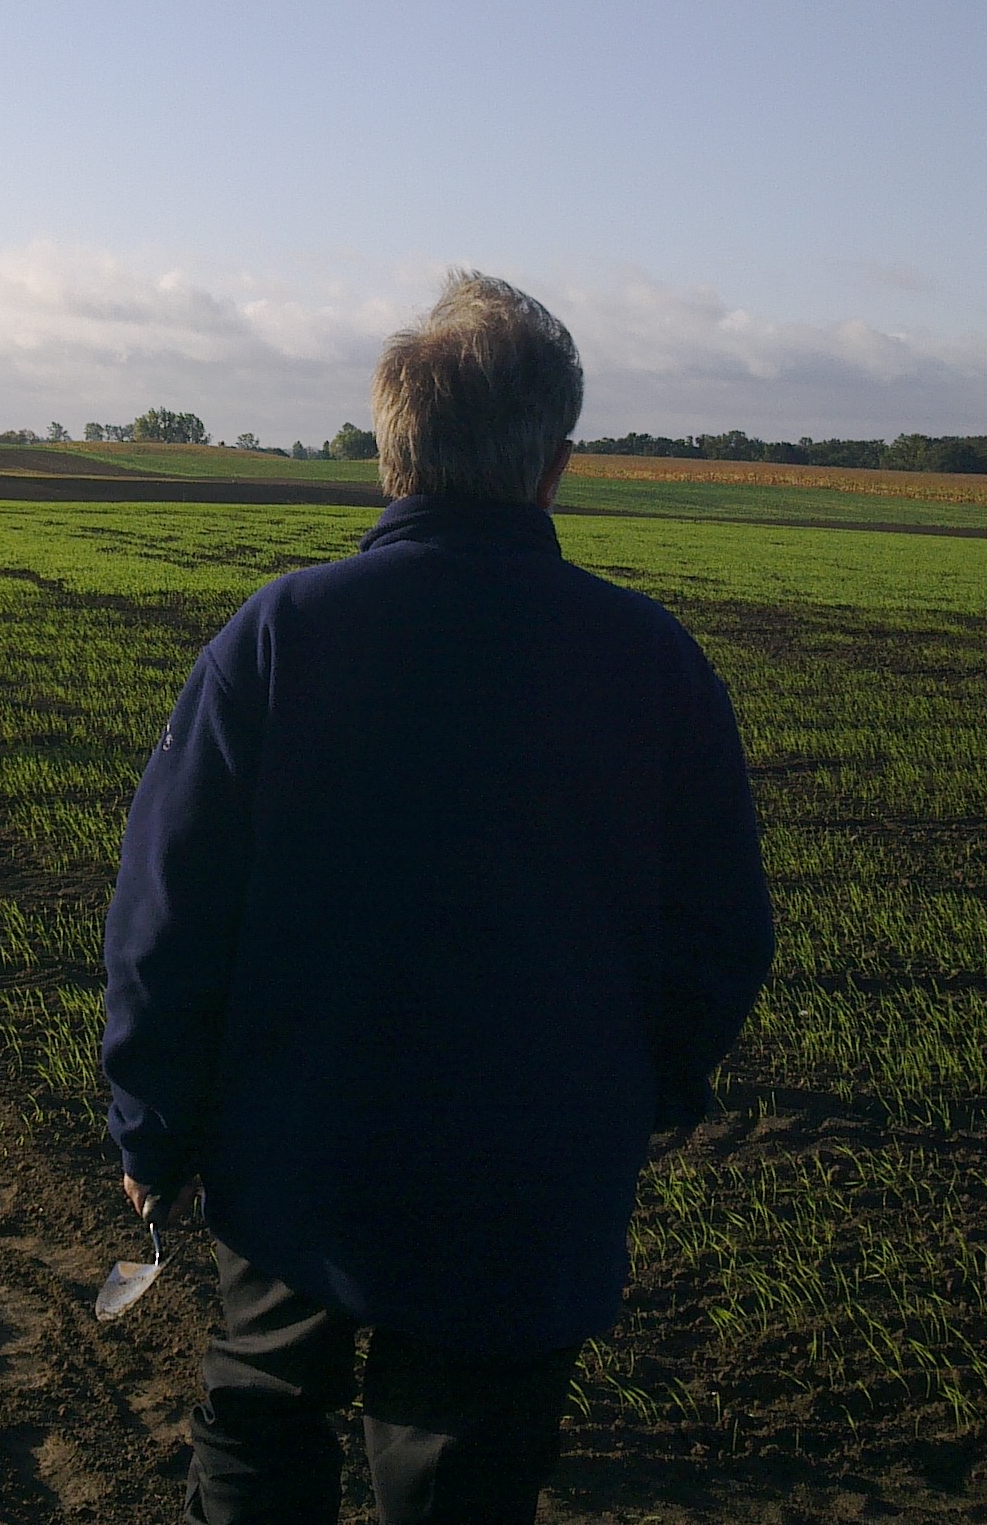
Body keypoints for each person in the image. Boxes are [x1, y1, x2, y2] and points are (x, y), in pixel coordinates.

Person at [102, 272, 773, 1525]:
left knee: (260, 1420)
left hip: (296, 1159)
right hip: (533, 1170)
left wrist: (153, 1125)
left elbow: (169, 913)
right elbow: (722, 934)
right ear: (557, 464)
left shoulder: (282, 634)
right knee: (467, 1466)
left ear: (386, 456)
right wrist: (642, 1095)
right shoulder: (651, 659)